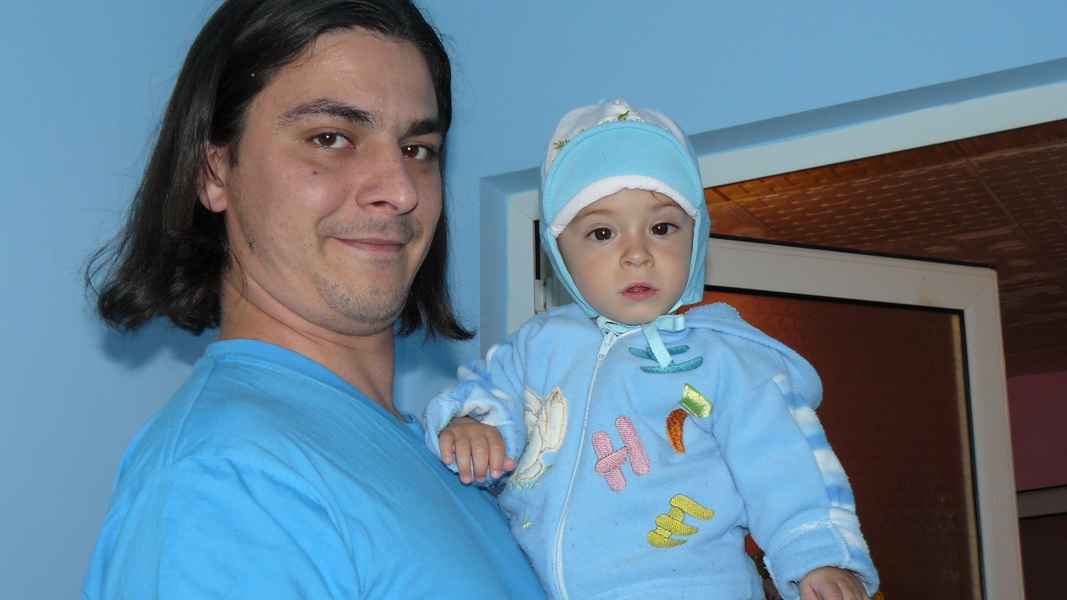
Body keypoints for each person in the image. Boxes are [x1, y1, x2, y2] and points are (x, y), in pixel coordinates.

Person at [81, 0, 545, 597]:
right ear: (214, 172)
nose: (400, 189)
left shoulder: (453, 456)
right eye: (330, 138)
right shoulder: (227, 478)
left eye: (417, 149)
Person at [423, 98, 880, 600]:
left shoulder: (727, 362)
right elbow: (487, 394)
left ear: (695, 237)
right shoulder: (537, 346)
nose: (637, 254)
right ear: (559, 251)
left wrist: (820, 557)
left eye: (662, 228)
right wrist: (472, 423)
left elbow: (785, 466)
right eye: (602, 233)